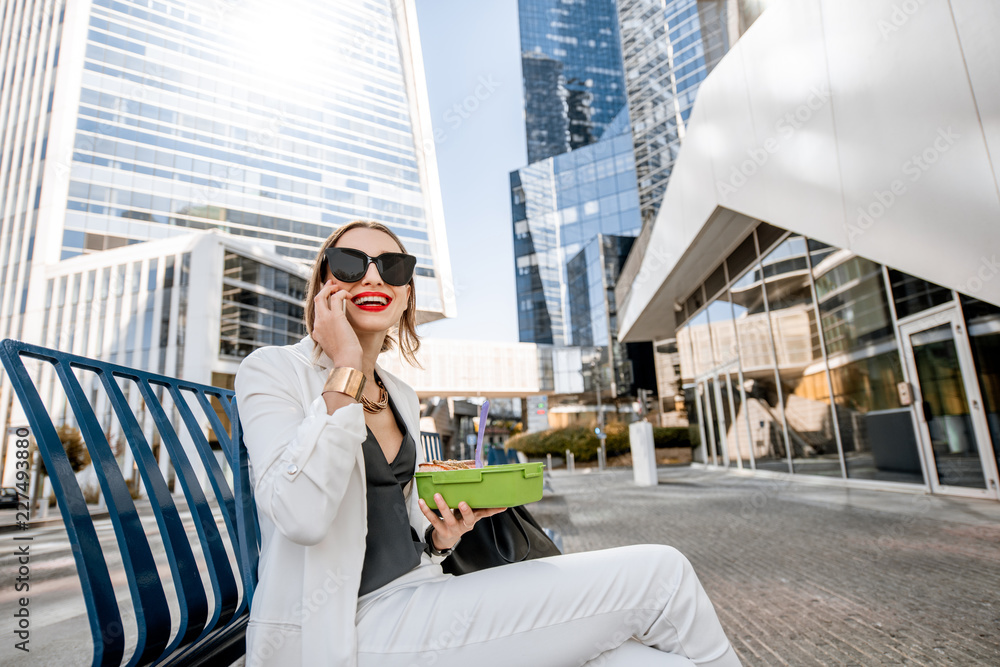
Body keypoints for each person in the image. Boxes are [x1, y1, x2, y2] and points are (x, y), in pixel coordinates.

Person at [234, 220, 742, 667]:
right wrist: (345, 365)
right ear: (324, 283)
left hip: (426, 597)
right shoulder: (273, 371)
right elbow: (300, 515)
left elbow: (400, 531)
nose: (372, 277)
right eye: (349, 263)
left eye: (392, 266)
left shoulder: (401, 395)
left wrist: (442, 538)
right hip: (344, 628)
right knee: (663, 573)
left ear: (407, 293)